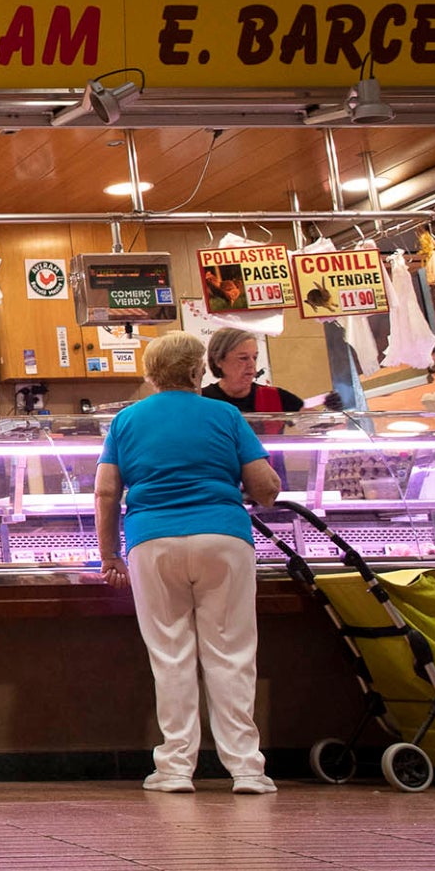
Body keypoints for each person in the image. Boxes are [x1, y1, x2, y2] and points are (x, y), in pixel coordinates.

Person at [96, 330, 285, 795]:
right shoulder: (224, 414)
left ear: (149, 374)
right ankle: (246, 770)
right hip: (223, 537)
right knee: (231, 653)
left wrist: (109, 555)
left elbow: (105, 492)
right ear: (199, 370)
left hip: (152, 541)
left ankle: (176, 769)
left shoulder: (126, 420)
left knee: (171, 655)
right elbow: (266, 487)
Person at [199, 326, 304, 414]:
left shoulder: (274, 397)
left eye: (255, 357)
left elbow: (311, 421)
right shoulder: (202, 400)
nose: (252, 364)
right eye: (243, 358)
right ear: (219, 360)